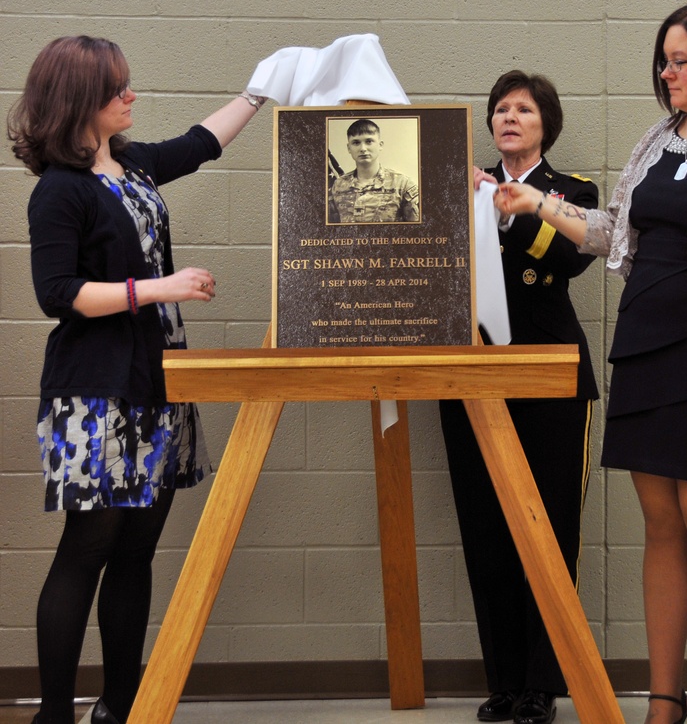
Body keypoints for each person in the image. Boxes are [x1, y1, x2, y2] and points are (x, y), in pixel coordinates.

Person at [495, 4, 687, 724]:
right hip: (645, 344)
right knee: (661, 522)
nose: (666, 73)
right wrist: (538, 203)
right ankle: (665, 698)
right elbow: (615, 233)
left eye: (680, 61)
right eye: (663, 60)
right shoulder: (657, 140)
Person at [8, 35, 270, 724]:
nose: (131, 95)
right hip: (97, 396)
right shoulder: (60, 189)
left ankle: (121, 707)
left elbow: (200, 144)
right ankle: (53, 715)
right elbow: (57, 293)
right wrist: (159, 288)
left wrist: (258, 91)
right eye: (117, 88)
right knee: (86, 549)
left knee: (135, 553)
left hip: (158, 385)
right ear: (80, 101)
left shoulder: (133, 165)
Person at [439, 70, 599, 724]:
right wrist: (467, 203)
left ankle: (542, 683)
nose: (509, 117)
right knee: (486, 529)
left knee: (550, 529)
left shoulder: (573, 192)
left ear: (545, 126)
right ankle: (505, 680)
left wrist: (510, 209)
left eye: (524, 110)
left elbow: (569, 260)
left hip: (551, 374)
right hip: (471, 373)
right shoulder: (458, 188)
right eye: (501, 109)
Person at [327, 118, 419, 223]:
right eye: (356, 143)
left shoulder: (402, 184)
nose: (363, 148)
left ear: (380, 145)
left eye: (369, 141)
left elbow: (418, 228)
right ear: (349, 148)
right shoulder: (338, 186)